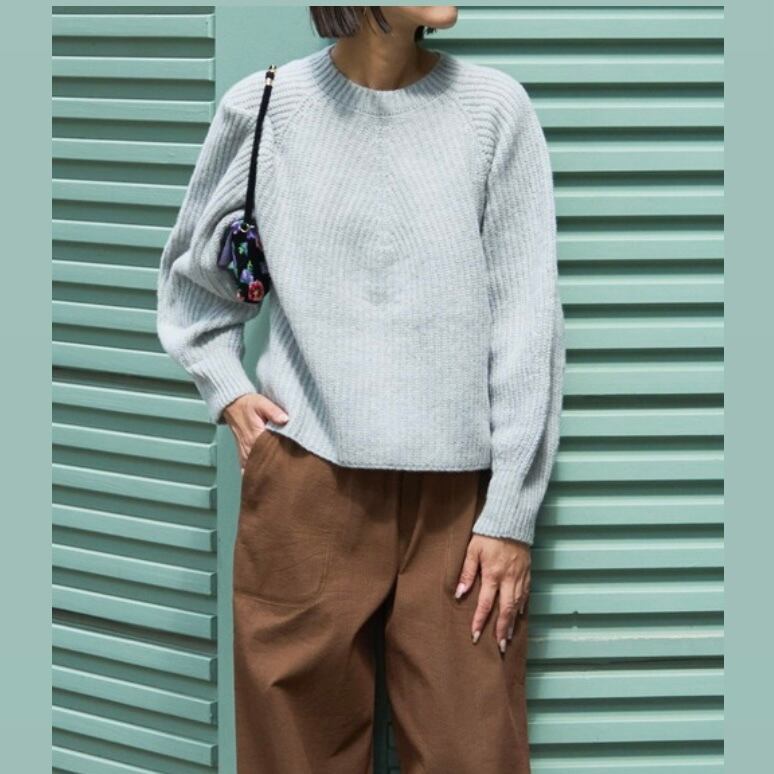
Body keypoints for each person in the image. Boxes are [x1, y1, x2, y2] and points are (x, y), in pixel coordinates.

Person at [156, 6, 565, 773]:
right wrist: (228, 389)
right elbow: (194, 285)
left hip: (461, 510)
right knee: (292, 759)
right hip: (307, 487)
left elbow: (526, 324)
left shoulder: (494, 111)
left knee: (473, 754)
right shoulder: (265, 109)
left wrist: (511, 512)